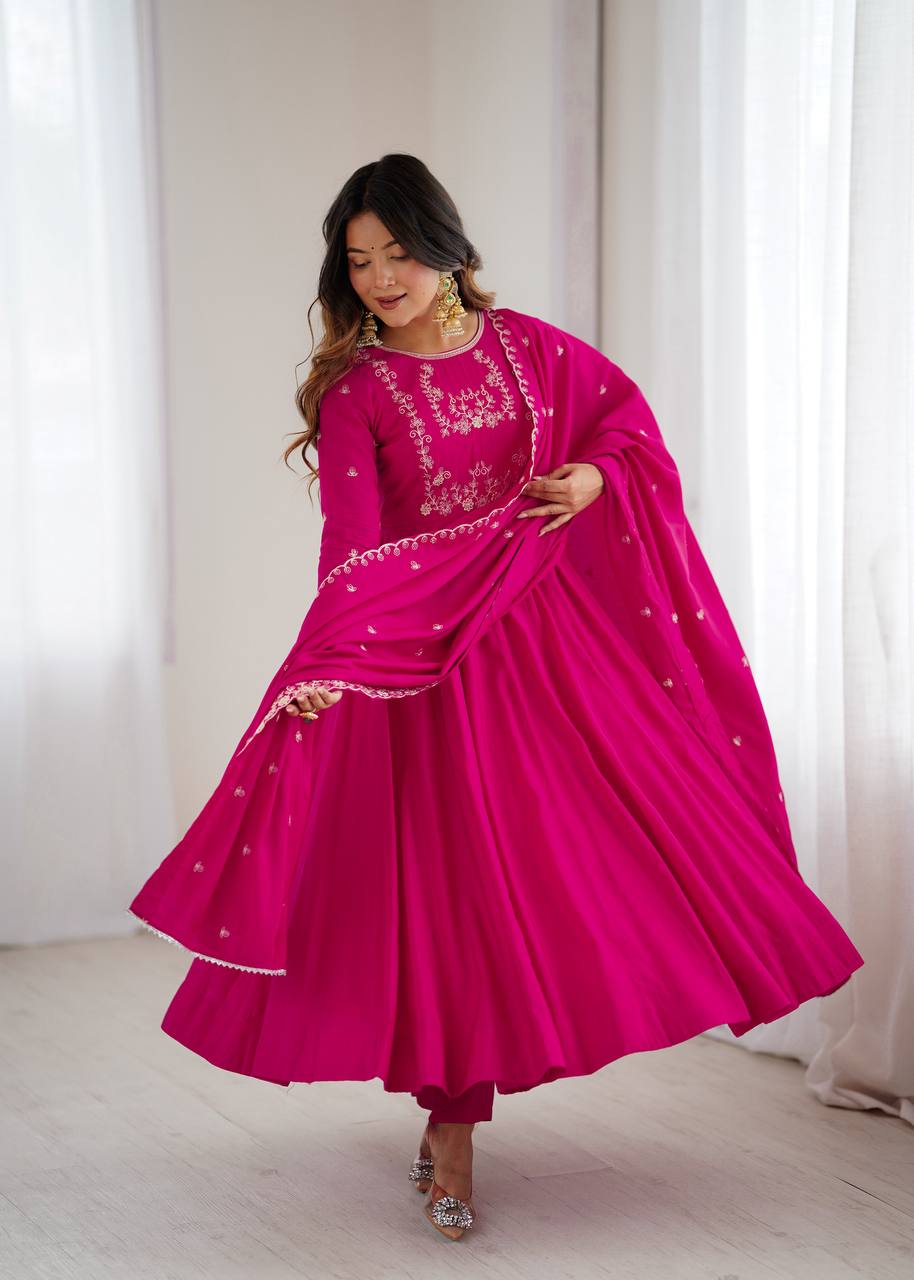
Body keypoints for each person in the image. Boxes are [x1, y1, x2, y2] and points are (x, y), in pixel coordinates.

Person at [127, 153, 864, 1242]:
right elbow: (352, 550)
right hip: (422, 670)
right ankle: (452, 1129)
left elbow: (623, 424)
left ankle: (470, 1108)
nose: (381, 279)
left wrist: (595, 476)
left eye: (397, 253)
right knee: (448, 904)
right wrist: (331, 662)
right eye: (358, 261)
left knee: (598, 869)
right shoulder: (358, 392)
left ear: (445, 247)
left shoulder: (529, 350)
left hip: (551, 659)